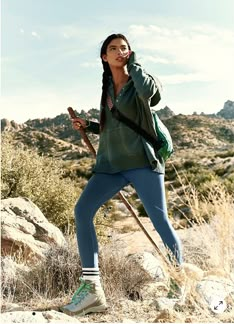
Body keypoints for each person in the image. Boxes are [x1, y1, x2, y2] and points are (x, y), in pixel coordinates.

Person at [60, 33, 183, 316]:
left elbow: (149, 94)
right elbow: (111, 126)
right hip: (110, 165)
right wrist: (89, 125)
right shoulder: (106, 89)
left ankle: (178, 284)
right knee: (82, 211)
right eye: (112, 48)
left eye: (124, 48)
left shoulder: (139, 81)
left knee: (160, 221)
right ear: (104, 56)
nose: (119, 52)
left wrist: (136, 63)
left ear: (130, 53)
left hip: (142, 162)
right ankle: (92, 290)